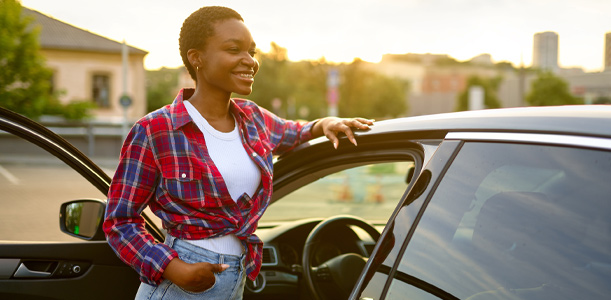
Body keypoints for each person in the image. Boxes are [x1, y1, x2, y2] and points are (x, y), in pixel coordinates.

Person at [103, 6, 373, 300]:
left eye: (252, 52)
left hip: (238, 275)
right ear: (197, 58)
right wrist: (172, 268)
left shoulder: (253, 118)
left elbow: (295, 132)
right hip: (179, 283)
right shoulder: (155, 130)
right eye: (234, 50)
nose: (250, 62)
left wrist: (326, 124)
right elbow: (119, 221)